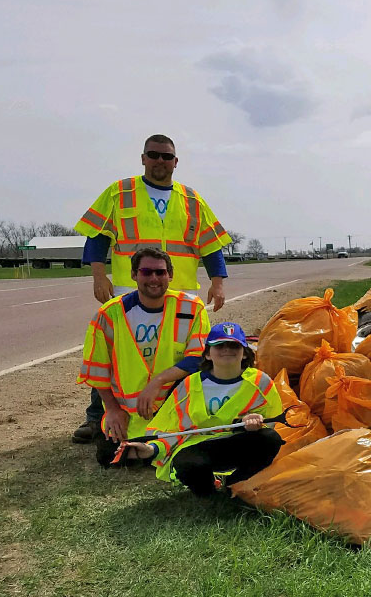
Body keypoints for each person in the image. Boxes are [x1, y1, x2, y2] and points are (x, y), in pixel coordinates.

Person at [72, 134, 232, 444]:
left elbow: (210, 243)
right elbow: (97, 237)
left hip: (181, 292)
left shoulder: (191, 199)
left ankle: (177, 415)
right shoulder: (120, 192)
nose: (160, 161)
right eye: (154, 155)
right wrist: (98, 275)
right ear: (143, 158)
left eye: (166, 156)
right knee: (116, 353)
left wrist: (218, 282)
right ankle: (99, 417)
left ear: (175, 161)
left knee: (180, 357)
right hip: (129, 290)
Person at [77, 248, 210, 466]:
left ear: (170, 274)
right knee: (109, 457)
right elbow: (98, 369)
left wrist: (158, 381)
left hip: (174, 404)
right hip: (127, 411)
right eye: (146, 272)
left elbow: (198, 357)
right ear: (133, 275)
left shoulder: (191, 307)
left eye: (160, 272)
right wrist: (111, 409)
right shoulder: (110, 314)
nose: (154, 279)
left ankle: (163, 444)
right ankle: (153, 447)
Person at [118, 322, 284, 496]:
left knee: (270, 439)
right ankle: (209, 492)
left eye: (234, 345)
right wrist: (152, 449)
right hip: (200, 447)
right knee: (187, 463)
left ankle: (235, 483)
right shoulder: (190, 385)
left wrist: (253, 424)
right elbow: (170, 427)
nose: (227, 349)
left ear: (244, 354)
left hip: (238, 443)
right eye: (220, 345)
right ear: (207, 355)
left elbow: (273, 422)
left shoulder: (261, 382)